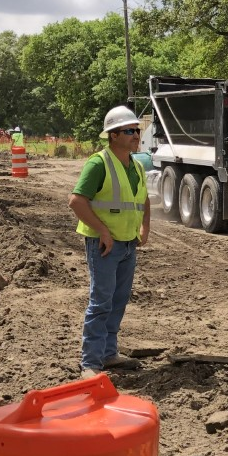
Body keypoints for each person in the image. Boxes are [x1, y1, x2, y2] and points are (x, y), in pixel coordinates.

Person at [69, 105, 150, 379]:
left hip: (127, 244)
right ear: (113, 135)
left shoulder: (136, 165)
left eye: (137, 130)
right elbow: (76, 201)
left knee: (118, 300)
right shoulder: (98, 163)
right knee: (101, 302)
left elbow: (144, 200)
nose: (136, 135)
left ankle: (108, 353)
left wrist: (145, 227)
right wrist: (103, 231)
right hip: (104, 245)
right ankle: (90, 363)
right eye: (130, 131)